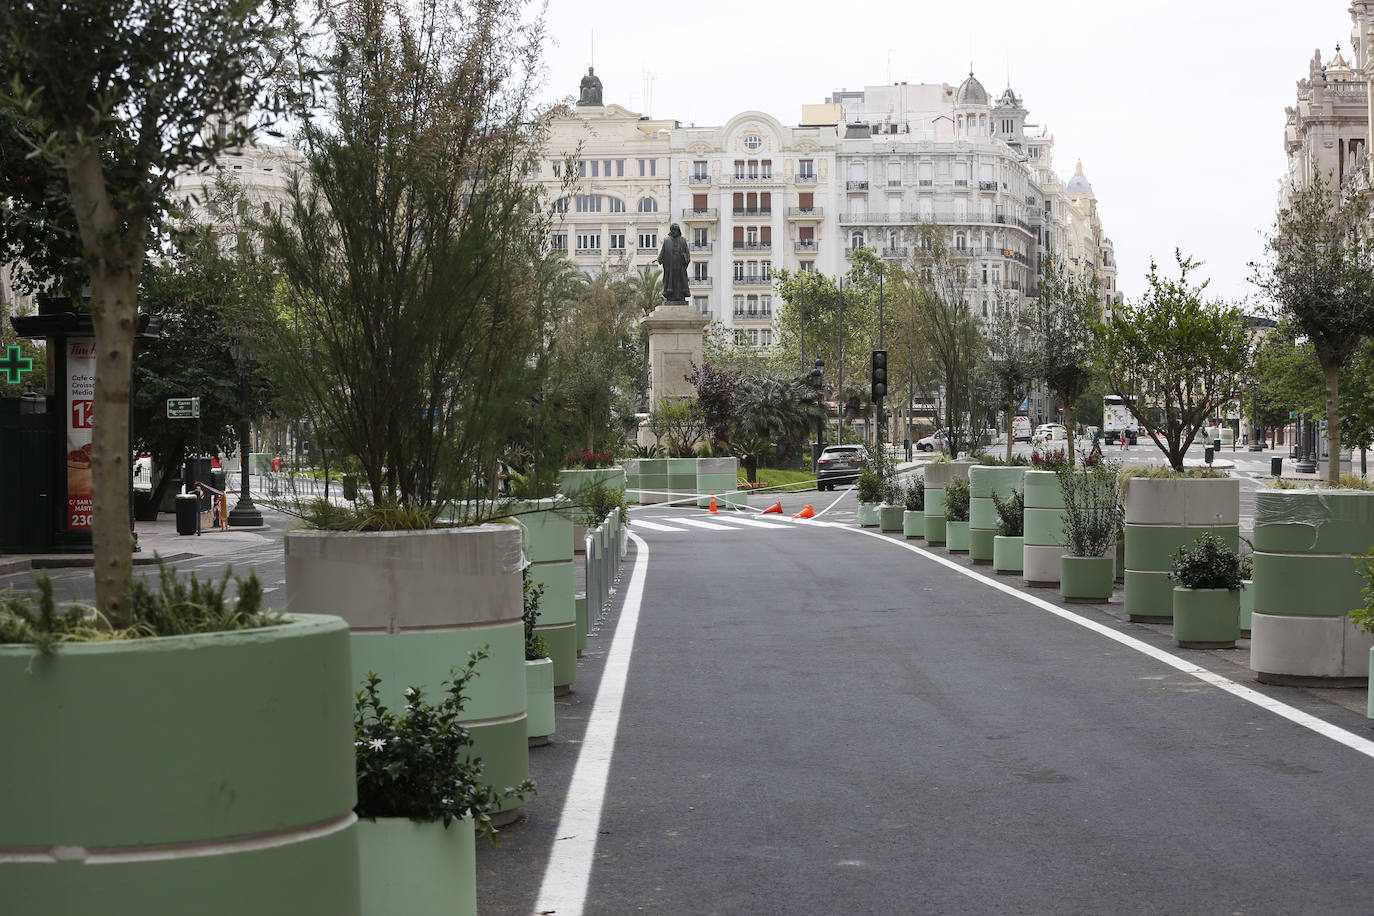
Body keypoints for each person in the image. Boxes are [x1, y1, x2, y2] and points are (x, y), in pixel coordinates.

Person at [655, 223, 691, 302]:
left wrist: (685, 257)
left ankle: (680, 296)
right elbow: (663, 251)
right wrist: (659, 259)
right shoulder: (667, 240)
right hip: (670, 264)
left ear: (678, 231)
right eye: (673, 230)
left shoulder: (683, 240)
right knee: (670, 280)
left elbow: (687, 253)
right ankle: (671, 297)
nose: (674, 232)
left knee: (679, 280)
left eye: (675, 230)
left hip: (680, 263)